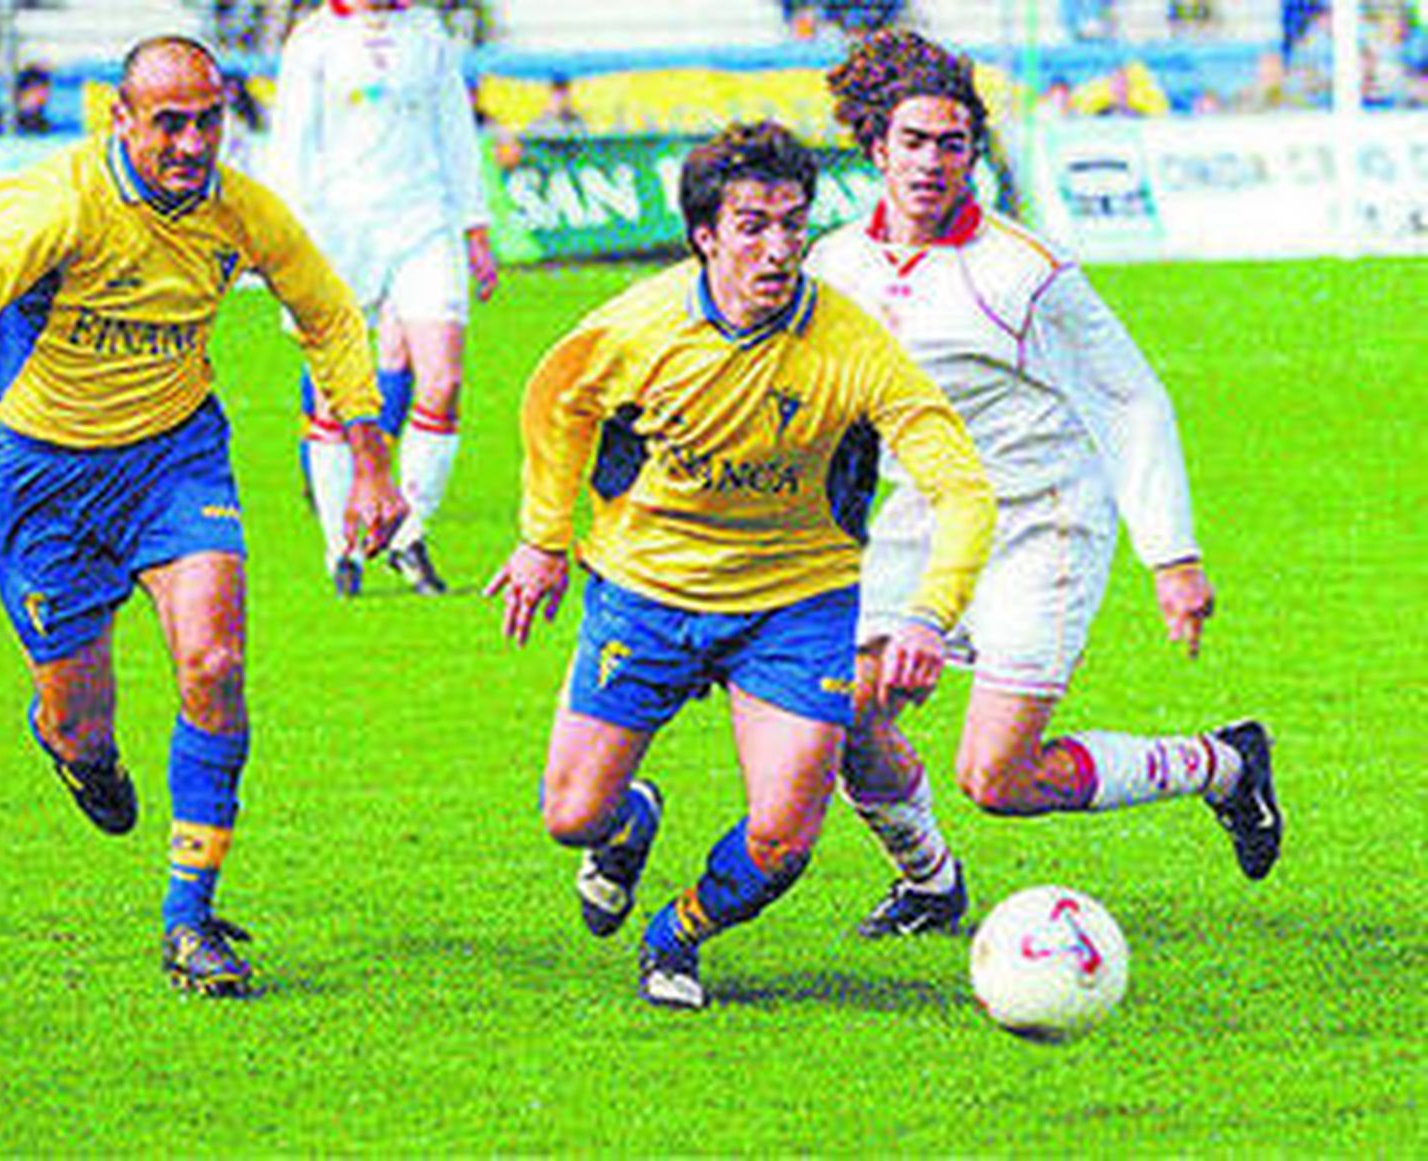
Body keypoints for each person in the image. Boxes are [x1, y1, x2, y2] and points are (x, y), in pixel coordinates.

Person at [0, 36, 407, 997]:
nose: (194, 142)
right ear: (119, 118)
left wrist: (370, 460)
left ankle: (188, 918)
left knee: (214, 661)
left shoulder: (238, 211)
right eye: (170, 122)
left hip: (173, 458)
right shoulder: (58, 208)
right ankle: (72, 747)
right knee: (81, 722)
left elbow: (327, 312)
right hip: (41, 479)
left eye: (210, 120)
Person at [485, 121, 996, 1010]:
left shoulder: (851, 344)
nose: (778, 248)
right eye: (753, 226)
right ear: (704, 236)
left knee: (784, 837)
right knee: (571, 815)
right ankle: (629, 821)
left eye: (793, 225)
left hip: (795, 605)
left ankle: (678, 933)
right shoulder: (636, 328)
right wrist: (542, 537)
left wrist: (928, 613)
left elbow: (963, 485)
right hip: (646, 592)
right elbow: (555, 400)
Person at [809, 29, 1282, 939]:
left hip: (1041, 523)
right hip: (922, 523)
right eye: (913, 141)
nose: (933, 162)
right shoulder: (836, 263)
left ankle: (1223, 765)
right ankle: (929, 883)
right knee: (843, 717)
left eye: (953, 143)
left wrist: (1173, 557)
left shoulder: (1024, 272)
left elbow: (1130, 398)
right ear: (876, 147)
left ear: (974, 152)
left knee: (998, 779)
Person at [268, 0, 499, 598]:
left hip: (424, 224)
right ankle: (340, 546)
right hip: (336, 233)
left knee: (443, 381)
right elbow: (290, 148)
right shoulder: (313, 40)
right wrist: (285, 244)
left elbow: (455, 131)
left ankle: (409, 534)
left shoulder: (428, 32)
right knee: (333, 393)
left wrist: (474, 227)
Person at [0, 64, 54, 136]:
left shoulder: (41, 123)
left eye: (45, 93)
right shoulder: (3, 118)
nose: (43, 98)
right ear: (23, 93)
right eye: (38, 92)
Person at [523, 74, 587, 138]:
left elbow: (563, 109)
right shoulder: (559, 97)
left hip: (560, 123)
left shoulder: (562, 97)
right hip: (555, 123)